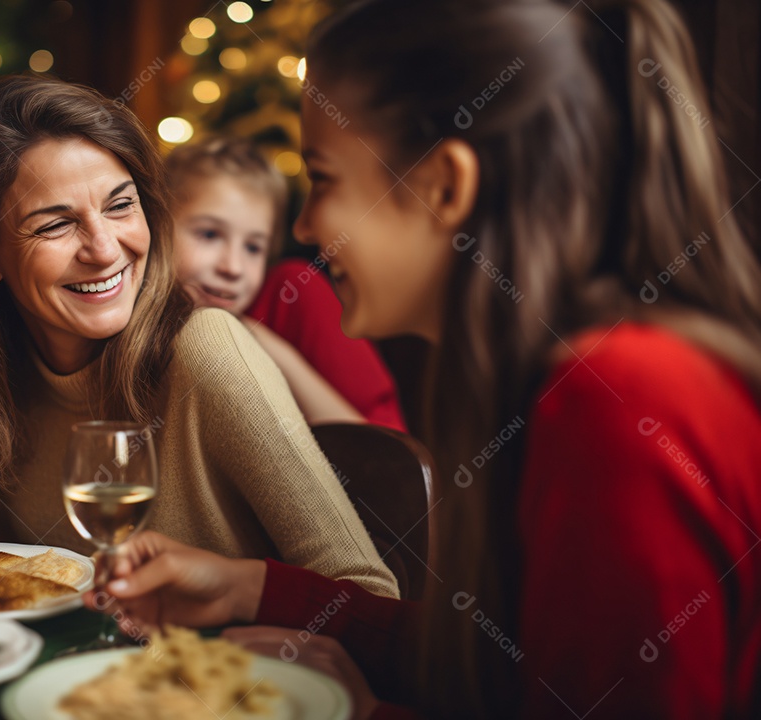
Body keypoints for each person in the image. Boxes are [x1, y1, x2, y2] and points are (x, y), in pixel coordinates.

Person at [85, 0, 761, 717]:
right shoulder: (550, 378)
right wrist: (252, 586)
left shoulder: (621, 398)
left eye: (323, 178)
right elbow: (508, 666)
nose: (307, 227)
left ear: (445, 187)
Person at [0, 75, 397, 598]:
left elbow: (367, 593)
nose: (105, 249)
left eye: (120, 206)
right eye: (54, 225)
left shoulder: (206, 349)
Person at [167, 137, 405, 429]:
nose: (233, 267)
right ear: (158, 229)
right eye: (209, 235)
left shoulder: (292, 290)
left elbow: (386, 453)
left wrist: (255, 338)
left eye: (254, 248)